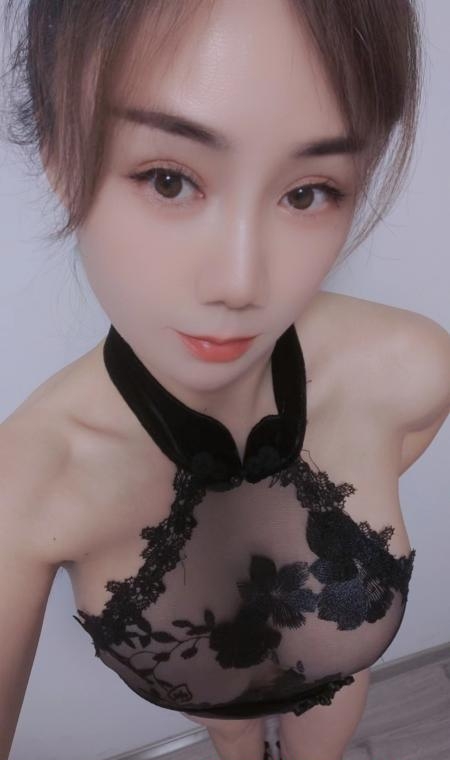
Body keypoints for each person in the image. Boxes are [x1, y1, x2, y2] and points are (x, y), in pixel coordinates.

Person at [1, 1, 449, 759]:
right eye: (169, 180)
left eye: (308, 192)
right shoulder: (24, 486)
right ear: (58, 152)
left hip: (336, 696)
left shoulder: (411, 365)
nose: (241, 284)